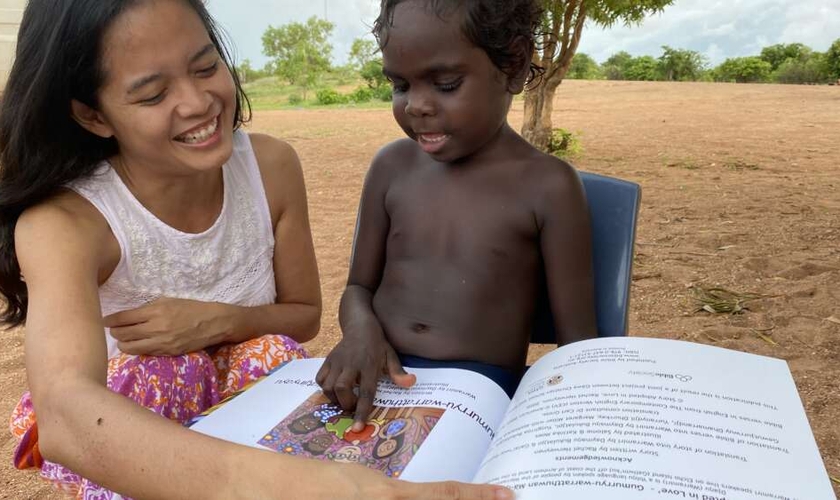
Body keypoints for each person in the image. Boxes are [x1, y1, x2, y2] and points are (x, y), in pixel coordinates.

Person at [0, 1, 513, 499]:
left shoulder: (271, 167)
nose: (198, 102)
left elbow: (304, 315)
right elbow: (67, 411)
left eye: (206, 67)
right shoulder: (68, 223)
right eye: (153, 94)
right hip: (141, 445)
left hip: (258, 418)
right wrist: (288, 486)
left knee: (272, 353)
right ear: (93, 115)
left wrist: (217, 322)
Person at [317, 0, 598, 430]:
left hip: (479, 396)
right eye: (400, 85)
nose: (416, 105)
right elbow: (358, 287)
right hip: (379, 377)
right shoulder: (391, 167)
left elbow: (578, 346)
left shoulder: (548, 186)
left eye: (445, 84)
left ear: (515, 64)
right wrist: (360, 332)